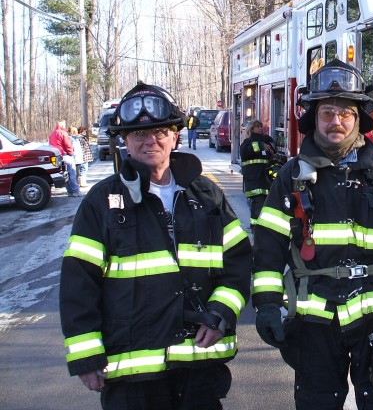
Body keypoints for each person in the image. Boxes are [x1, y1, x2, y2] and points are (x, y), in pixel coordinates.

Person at [251, 59, 373, 410]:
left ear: (358, 119)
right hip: (314, 323)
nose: (336, 121)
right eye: (327, 113)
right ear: (313, 118)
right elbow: (268, 247)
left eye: (345, 113)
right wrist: (267, 304)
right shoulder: (290, 178)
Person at [59, 82, 253, 410]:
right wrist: (86, 355)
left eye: (161, 130)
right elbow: (79, 283)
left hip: (198, 367)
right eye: (139, 133)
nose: (151, 140)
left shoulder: (207, 196)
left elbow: (238, 263)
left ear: (175, 135)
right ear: (124, 141)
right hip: (132, 378)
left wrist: (220, 312)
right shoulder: (102, 203)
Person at [239, 120, 275, 229]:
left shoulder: (266, 140)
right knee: (258, 202)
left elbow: (272, 153)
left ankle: (262, 226)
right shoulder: (247, 143)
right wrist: (261, 145)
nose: (260, 128)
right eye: (257, 127)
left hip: (265, 179)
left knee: (266, 203)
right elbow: (246, 151)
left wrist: (272, 150)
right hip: (253, 179)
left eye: (260, 126)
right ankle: (255, 227)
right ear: (251, 129)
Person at [49, 119, 81, 197]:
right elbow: (68, 145)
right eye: (64, 124)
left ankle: (69, 191)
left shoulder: (52, 134)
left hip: (58, 156)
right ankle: (76, 191)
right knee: (72, 173)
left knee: (65, 174)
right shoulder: (63, 133)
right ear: (62, 124)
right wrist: (71, 153)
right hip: (65, 154)